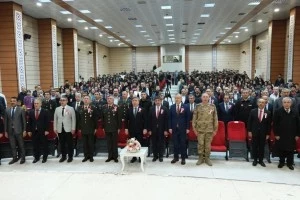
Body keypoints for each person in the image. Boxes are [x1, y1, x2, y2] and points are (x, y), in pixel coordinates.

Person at [273, 97, 300, 170]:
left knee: (291, 150)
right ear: (282, 103)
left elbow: (298, 124)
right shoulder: (278, 111)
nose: (286, 104)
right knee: (281, 149)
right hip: (281, 135)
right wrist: (276, 134)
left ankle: (289, 163)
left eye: (288, 102)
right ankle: (281, 162)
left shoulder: (295, 112)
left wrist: (298, 134)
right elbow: (275, 124)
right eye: (285, 102)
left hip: (292, 134)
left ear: (291, 103)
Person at [192, 93, 218, 166]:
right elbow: (194, 119)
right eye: (204, 97)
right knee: (200, 144)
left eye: (207, 97)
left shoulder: (213, 106)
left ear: (209, 98)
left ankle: (207, 158)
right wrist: (194, 129)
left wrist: (215, 130)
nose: (205, 98)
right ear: (201, 98)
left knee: (207, 145)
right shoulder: (197, 106)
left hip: (209, 129)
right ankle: (200, 158)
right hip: (200, 129)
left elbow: (215, 119)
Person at [247, 98, 271, 167]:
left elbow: (269, 124)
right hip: (254, 132)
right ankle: (255, 160)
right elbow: (249, 122)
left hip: (263, 133)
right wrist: (249, 131)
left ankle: (261, 160)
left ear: (265, 104)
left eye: (263, 102)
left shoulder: (268, 112)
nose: (261, 104)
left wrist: (268, 134)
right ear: (257, 103)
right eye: (259, 102)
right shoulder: (253, 111)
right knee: (254, 146)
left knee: (262, 147)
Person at [4, 97, 27, 164]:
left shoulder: (21, 110)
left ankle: (23, 158)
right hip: (10, 131)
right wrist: (5, 131)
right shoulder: (7, 110)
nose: (12, 102)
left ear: (17, 102)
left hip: (19, 130)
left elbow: (24, 121)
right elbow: (5, 121)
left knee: (21, 145)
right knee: (12, 145)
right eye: (11, 101)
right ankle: (14, 158)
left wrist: (24, 130)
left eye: (14, 101)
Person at [124, 97, 147, 163]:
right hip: (131, 130)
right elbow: (126, 120)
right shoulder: (129, 110)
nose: (134, 102)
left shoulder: (142, 109)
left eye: (136, 100)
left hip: (140, 129)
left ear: (138, 102)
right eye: (133, 100)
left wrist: (145, 128)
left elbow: (145, 120)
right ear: (132, 102)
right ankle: (134, 157)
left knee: (139, 143)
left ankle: (140, 157)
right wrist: (126, 128)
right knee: (132, 143)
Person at [168, 94, 190, 165]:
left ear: (181, 99)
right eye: (176, 98)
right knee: (175, 144)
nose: (177, 99)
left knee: (183, 144)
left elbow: (187, 118)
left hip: (183, 128)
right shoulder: (172, 107)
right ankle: (175, 157)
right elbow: (170, 118)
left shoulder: (186, 107)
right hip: (174, 128)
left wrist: (187, 128)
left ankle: (183, 158)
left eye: (178, 98)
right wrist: (170, 127)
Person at [53, 96, 76, 163]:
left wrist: (73, 128)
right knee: (62, 144)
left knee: (69, 144)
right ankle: (63, 156)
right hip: (60, 129)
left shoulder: (71, 108)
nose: (62, 101)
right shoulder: (57, 109)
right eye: (61, 100)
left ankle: (70, 157)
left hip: (68, 129)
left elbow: (73, 119)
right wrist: (55, 128)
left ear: (67, 101)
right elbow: (55, 119)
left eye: (64, 100)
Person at [27, 98, 50, 163]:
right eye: (35, 103)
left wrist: (47, 130)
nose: (36, 105)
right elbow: (29, 122)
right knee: (35, 145)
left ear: (41, 104)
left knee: (44, 145)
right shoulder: (31, 112)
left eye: (37, 103)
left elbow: (47, 122)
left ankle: (45, 157)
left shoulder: (45, 111)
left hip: (43, 131)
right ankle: (36, 157)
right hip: (34, 131)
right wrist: (29, 131)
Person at [78, 96, 98, 162]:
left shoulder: (93, 108)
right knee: (84, 143)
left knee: (90, 143)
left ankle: (91, 156)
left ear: (90, 100)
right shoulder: (79, 108)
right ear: (83, 100)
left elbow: (95, 119)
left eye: (87, 99)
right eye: (85, 98)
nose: (86, 100)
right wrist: (79, 128)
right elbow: (78, 119)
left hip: (91, 128)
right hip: (83, 128)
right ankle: (86, 156)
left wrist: (95, 128)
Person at [101, 95, 122, 163]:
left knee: (114, 143)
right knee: (109, 143)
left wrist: (119, 128)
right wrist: (103, 127)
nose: (109, 100)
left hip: (114, 128)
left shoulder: (116, 107)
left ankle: (115, 157)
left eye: (110, 99)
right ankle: (110, 156)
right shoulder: (104, 107)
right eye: (108, 98)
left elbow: (119, 118)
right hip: (107, 128)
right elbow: (102, 118)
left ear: (113, 100)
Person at [148, 96, 168, 162]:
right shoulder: (151, 109)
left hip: (162, 129)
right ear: (154, 101)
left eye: (159, 100)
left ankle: (161, 156)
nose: (157, 102)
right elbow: (149, 120)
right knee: (154, 143)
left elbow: (166, 120)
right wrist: (149, 130)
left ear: (161, 101)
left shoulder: (164, 109)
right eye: (156, 101)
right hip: (153, 129)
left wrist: (166, 130)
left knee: (161, 143)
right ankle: (155, 156)